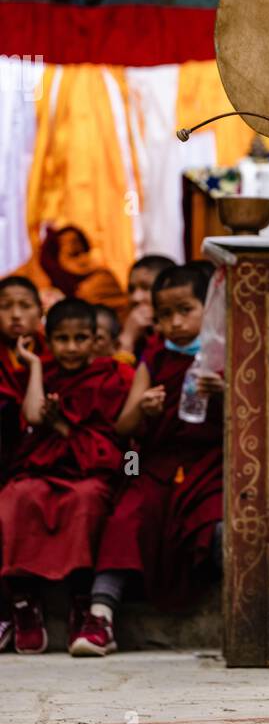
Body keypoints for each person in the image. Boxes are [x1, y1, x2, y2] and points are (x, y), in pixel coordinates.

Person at [71, 264, 225, 654]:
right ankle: (100, 617)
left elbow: (256, 415)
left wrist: (225, 392)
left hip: (210, 466)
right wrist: (143, 406)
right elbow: (124, 425)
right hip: (156, 466)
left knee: (219, 523)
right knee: (126, 516)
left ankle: (260, 614)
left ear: (208, 307)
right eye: (164, 314)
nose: (173, 323)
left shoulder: (226, 352)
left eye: (184, 310)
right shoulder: (154, 358)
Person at [0, 298, 129, 654]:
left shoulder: (114, 376)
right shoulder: (39, 371)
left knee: (86, 500)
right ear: (49, 339)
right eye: (62, 339)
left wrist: (62, 424)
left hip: (87, 471)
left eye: (80, 338)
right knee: (16, 498)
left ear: (94, 339)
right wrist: (36, 367)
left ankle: (80, 597)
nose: (71, 348)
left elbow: (108, 445)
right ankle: (24, 602)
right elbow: (33, 415)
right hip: (42, 469)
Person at [0, 275, 47, 652]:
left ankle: (26, 603)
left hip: (47, 464)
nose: (15, 315)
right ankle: (11, 607)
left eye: (24, 306)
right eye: (5, 306)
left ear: (40, 312)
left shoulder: (62, 349)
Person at [39, 225, 127, 314]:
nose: (82, 259)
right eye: (73, 255)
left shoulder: (101, 280)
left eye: (82, 252)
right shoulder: (53, 294)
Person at [117, 254, 176, 361]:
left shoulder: (181, 334)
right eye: (131, 289)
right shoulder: (127, 331)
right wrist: (127, 339)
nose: (135, 298)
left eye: (145, 288)